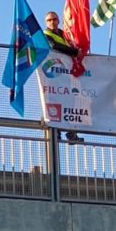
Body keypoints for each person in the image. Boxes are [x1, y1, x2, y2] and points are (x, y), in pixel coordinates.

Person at [43, 11, 83, 144]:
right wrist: (74, 52)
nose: (52, 22)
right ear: (46, 22)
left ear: (58, 20)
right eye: (49, 20)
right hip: (53, 73)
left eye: (54, 19)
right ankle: (56, 131)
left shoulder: (64, 33)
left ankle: (71, 133)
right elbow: (54, 46)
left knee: (70, 101)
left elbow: (72, 43)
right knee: (54, 99)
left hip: (67, 71)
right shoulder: (45, 34)